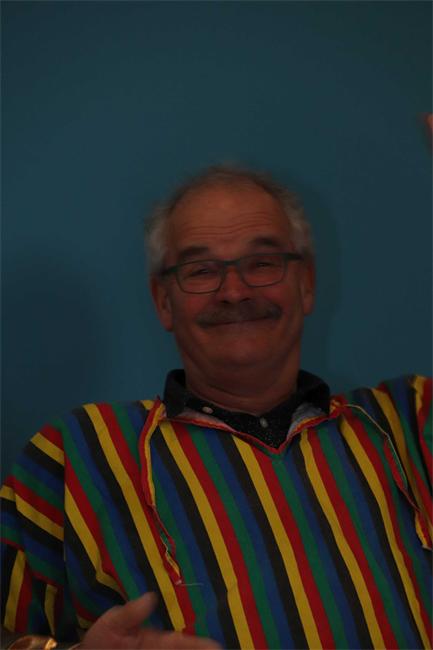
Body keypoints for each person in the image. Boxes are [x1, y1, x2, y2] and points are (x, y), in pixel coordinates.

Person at [1, 166, 432, 650]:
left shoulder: (410, 421)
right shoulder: (75, 457)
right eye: (201, 271)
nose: (234, 292)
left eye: (262, 263)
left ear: (306, 282)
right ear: (163, 301)